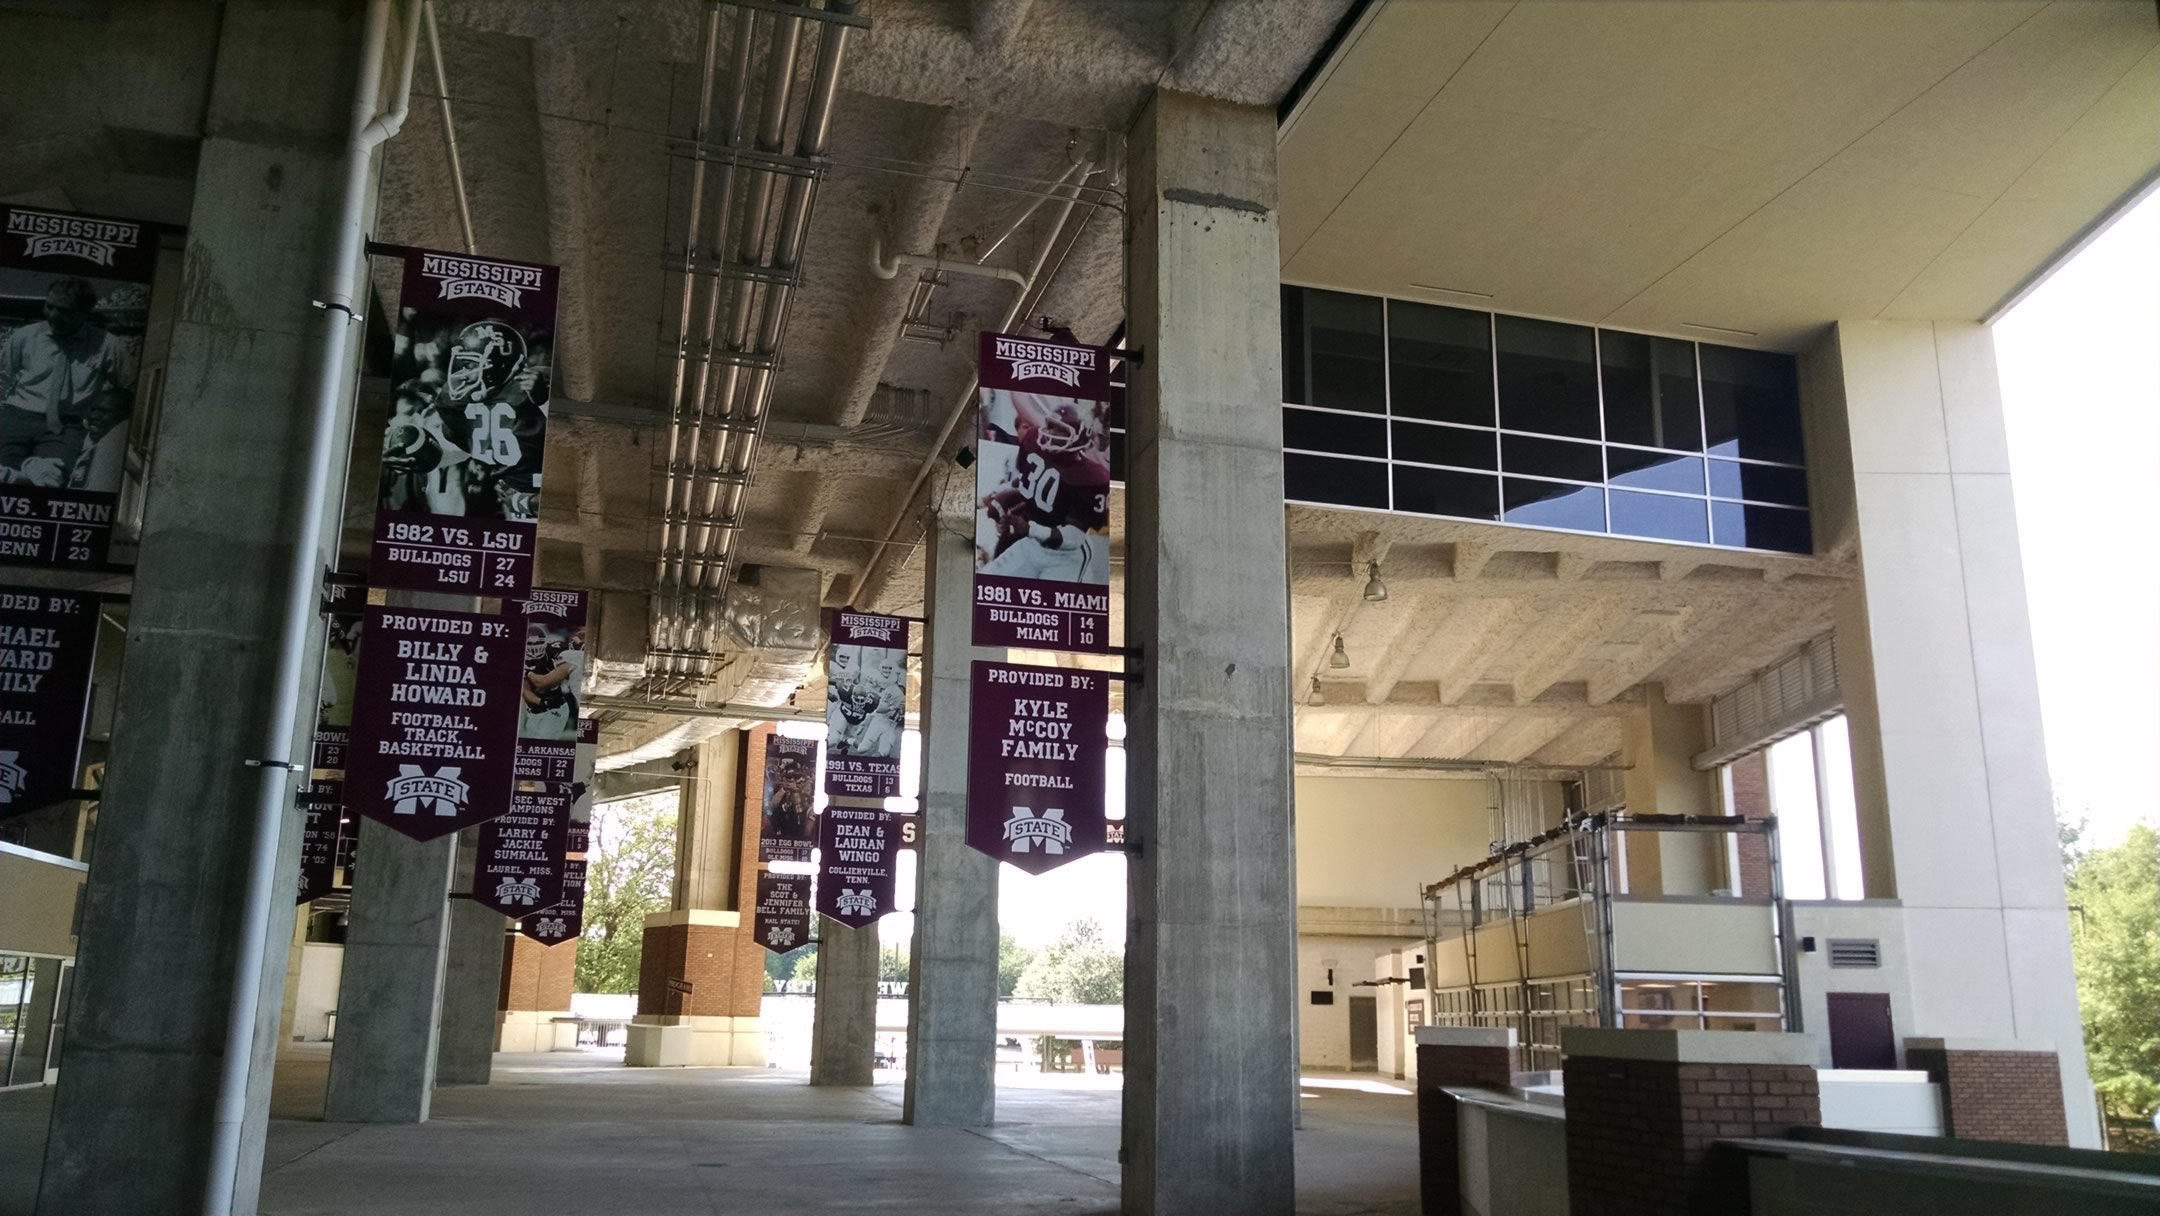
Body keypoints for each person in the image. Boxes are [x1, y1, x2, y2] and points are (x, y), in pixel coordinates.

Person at [0, 277, 133, 485]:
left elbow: (126, 391)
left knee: (51, 481)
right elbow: (3, 376)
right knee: (4, 473)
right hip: (17, 417)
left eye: (64, 311)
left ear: (84, 312)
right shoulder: (25, 336)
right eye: (49, 306)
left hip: (68, 427)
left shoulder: (109, 346)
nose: (53, 316)